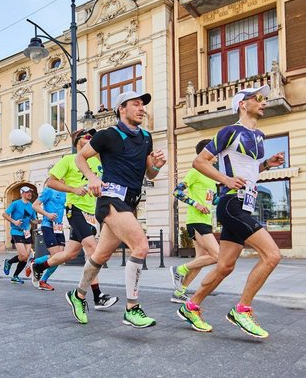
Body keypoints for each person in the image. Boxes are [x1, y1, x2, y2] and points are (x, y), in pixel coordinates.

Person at [178, 85, 284, 338]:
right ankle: (242, 310)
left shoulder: (259, 137)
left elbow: (248, 173)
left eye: (264, 98)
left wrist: (267, 164)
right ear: (242, 104)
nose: (263, 102)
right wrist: (225, 180)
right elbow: (199, 162)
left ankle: (191, 306)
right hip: (231, 204)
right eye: (257, 98)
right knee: (272, 255)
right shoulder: (229, 132)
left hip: (244, 203)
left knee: (225, 266)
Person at [68, 91, 166, 328]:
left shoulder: (146, 137)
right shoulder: (108, 135)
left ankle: (78, 295)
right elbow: (80, 158)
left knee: (100, 256)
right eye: (136, 104)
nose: (142, 108)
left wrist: (157, 167)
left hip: (130, 203)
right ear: (122, 108)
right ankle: (132, 308)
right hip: (110, 199)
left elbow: (148, 173)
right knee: (140, 246)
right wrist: (92, 177)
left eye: (143, 105)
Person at [31, 130, 118, 309]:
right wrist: (73, 189)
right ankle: (97, 296)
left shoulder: (97, 161)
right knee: (93, 249)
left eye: (93, 138)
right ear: (77, 141)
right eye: (87, 137)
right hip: (75, 209)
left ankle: (39, 267)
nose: (91, 140)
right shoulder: (68, 160)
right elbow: (51, 182)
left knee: (69, 254)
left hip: (92, 212)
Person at [170, 139, 219, 303]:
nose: (217, 153)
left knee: (201, 259)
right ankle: (179, 269)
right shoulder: (196, 171)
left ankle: (179, 292)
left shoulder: (212, 177)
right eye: (214, 149)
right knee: (217, 255)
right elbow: (177, 192)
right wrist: (195, 204)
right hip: (196, 220)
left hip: (206, 221)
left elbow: (213, 200)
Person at [2, 186, 36, 284]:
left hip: (27, 233)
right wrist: (14, 221)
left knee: (25, 257)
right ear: (22, 193)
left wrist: (45, 219)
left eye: (30, 192)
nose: (29, 194)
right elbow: (4, 214)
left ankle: (15, 276)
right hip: (16, 231)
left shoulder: (32, 206)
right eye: (27, 192)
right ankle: (9, 262)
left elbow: (33, 219)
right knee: (23, 255)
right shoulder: (16, 204)